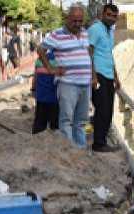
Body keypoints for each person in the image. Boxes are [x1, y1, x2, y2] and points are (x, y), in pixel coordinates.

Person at [40, 6, 94, 147]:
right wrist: (51, 69)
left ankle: (80, 150)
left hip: (85, 84)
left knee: (81, 121)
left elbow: (89, 55)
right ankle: (69, 151)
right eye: (74, 20)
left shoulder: (85, 33)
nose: (77, 24)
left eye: (80, 21)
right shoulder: (57, 34)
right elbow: (40, 49)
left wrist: (93, 75)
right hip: (68, 83)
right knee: (66, 121)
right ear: (67, 19)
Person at [87, 3, 121, 152]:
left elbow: (109, 55)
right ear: (102, 14)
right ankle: (98, 144)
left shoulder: (110, 31)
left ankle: (102, 140)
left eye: (114, 16)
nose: (112, 18)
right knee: (102, 110)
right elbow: (89, 52)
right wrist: (93, 76)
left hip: (108, 76)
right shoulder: (95, 29)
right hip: (98, 75)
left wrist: (116, 77)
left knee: (108, 110)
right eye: (109, 15)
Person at [31, 49, 59, 134]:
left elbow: (35, 78)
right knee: (55, 124)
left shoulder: (39, 60)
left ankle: (37, 132)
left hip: (41, 97)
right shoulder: (59, 61)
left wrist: (33, 89)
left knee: (39, 121)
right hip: (53, 98)